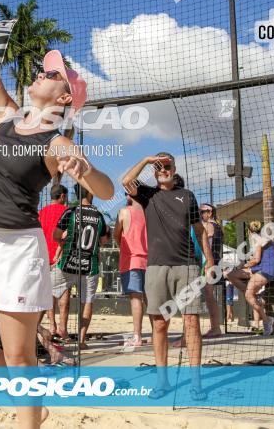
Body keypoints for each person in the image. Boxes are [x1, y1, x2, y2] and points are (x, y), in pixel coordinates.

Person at [0, 0, 114, 429]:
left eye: (53, 73)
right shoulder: (7, 117)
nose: (44, 71)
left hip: (17, 250)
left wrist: (86, 170)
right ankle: (33, 403)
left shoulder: (57, 141)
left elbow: (104, 191)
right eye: (46, 69)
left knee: (22, 355)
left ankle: (29, 416)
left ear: (65, 98)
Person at [122, 153, 212, 400]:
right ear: (154, 171)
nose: (163, 170)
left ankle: (196, 382)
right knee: (159, 325)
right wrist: (146, 159)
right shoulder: (149, 195)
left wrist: (210, 260)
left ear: (174, 168)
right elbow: (126, 180)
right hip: (156, 267)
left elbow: (199, 230)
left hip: (187, 266)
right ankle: (162, 381)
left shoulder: (188, 196)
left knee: (191, 323)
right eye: (159, 167)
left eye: (167, 166)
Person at [51, 188, 110, 351]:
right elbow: (104, 240)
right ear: (91, 193)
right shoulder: (98, 215)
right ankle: (82, 340)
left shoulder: (70, 211)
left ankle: (46, 328)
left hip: (68, 262)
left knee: (47, 292)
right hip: (89, 265)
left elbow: (55, 235)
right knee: (87, 301)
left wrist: (65, 241)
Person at [226, 221, 274, 335]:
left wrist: (243, 265)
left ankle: (267, 320)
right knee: (230, 275)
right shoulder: (260, 238)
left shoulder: (257, 238)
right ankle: (254, 295)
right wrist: (243, 266)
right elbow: (256, 260)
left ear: (248, 231)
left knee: (248, 295)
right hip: (259, 269)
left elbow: (256, 259)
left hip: (266, 270)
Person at [113, 195, 148, 350]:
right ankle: (157, 334)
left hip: (131, 259)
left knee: (136, 298)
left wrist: (123, 247)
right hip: (149, 260)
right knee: (150, 299)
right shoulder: (148, 212)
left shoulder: (124, 211)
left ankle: (137, 336)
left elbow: (116, 234)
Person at [39, 184, 69, 338]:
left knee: (48, 293)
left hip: (43, 258)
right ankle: (63, 329)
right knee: (63, 292)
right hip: (61, 257)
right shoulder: (66, 211)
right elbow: (67, 235)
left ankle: (52, 326)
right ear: (62, 196)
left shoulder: (41, 212)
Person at [200, 203, 224, 338]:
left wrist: (207, 264)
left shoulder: (209, 225)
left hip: (210, 263)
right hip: (216, 260)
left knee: (209, 297)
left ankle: (215, 328)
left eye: (203, 211)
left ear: (210, 212)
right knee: (210, 296)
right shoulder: (218, 226)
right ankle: (215, 327)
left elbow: (207, 247)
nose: (201, 214)